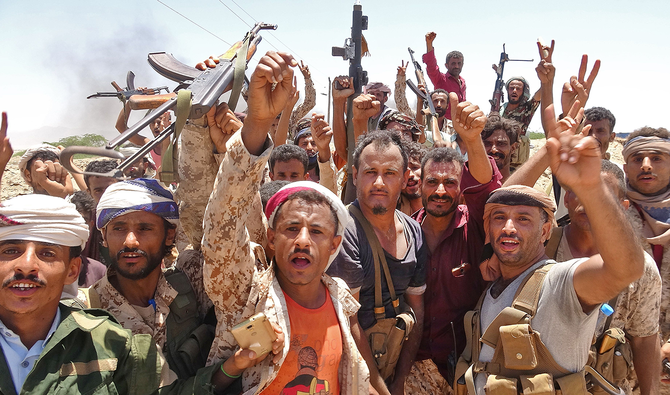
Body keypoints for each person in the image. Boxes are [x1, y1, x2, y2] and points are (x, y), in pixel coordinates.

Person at [200, 51, 369, 394]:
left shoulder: (340, 299)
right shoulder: (246, 295)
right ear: (272, 237)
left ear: (335, 245)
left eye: (317, 231)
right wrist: (258, 123)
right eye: (291, 229)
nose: (303, 240)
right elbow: (223, 225)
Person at [460, 104, 644, 395]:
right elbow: (501, 196)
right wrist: (547, 150)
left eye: (523, 219)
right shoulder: (493, 282)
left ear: (546, 230)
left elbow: (626, 269)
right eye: (499, 218)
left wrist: (592, 187)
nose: (509, 227)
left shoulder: (560, 282)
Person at [507, 144, 661, 395]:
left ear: (622, 206)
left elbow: (645, 338)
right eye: (580, 192)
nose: (587, 202)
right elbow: (504, 198)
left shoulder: (640, 267)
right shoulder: (538, 248)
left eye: (600, 195)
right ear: (567, 199)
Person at [0, 194, 172, 394]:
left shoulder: (120, 349)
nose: (26, 265)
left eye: (47, 253)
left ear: (72, 271)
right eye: (11, 251)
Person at [410, 94, 501, 387]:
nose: (440, 190)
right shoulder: (404, 233)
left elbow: (487, 187)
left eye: (450, 182)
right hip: (413, 368)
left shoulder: (474, 225)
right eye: (432, 182)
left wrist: (473, 140)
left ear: (461, 188)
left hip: (467, 367)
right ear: (418, 184)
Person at [327, 129, 426, 395]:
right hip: (351, 369)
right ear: (355, 175)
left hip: (392, 362)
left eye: (390, 173)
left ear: (405, 179)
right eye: (371, 172)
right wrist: (382, 389)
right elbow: (349, 321)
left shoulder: (414, 231)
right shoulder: (345, 232)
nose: (379, 182)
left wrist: (401, 378)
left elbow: (417, 308)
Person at [422, 32, 465, 120]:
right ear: (446, 65)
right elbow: (432, 67)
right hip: (442, 126)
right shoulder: (441, 79)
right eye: (453, 63)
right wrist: (429, 45)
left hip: (459, 127)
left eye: (459, 63)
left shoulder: (462, 82)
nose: (456, 66)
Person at [68, 191, 107, 287]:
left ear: (91, 225)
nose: (77, 226)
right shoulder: (47, 266)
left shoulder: (99, 271)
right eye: (72, 220)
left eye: (83, 221)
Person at [481, 114, 521, 182]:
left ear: (513, 148)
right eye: (487, 144)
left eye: (501, 144)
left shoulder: (522, 189)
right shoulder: (467, 186)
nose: (493, 150)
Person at [397, 140, 425, 216]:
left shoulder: (442, 204)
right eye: (404, 170)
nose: (410, 175)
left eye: (414, 167)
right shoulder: (394, 212)